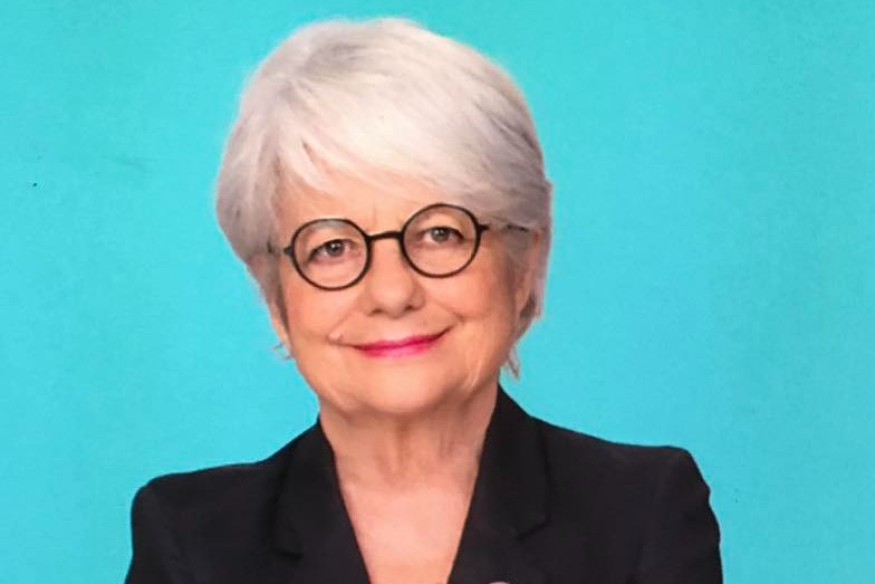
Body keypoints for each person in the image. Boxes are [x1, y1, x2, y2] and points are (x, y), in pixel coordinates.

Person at [125, 17, 722, 584]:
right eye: (332, 247)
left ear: (525, 262)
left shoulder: (641, 513)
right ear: (274, 293)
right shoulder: (192, 540)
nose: (392, 293)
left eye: (440, 234)